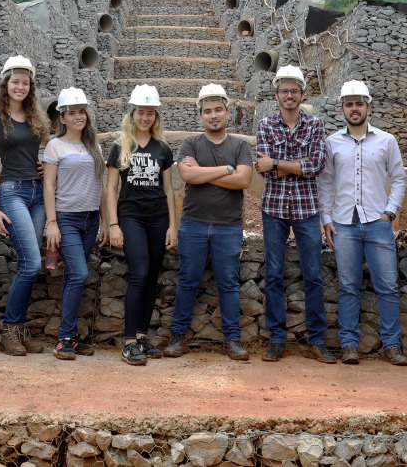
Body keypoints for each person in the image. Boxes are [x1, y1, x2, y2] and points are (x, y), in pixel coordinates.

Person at [319, 80, 407, 365]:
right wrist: (326, 218)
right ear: (342, 109)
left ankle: (392, 346)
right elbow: (326, 182)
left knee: (388, 286)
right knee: (347, 285)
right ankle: (348, 344)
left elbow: (398, 178)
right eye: (349, 104)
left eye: (359, 103)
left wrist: (389, 213)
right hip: (343, 223)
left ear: (368, 106)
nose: (354, 109)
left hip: (377, 223)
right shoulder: (332, 143)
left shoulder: (386, 141)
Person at [163, 84, 254, 362]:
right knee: (188, 281)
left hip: (228, 225)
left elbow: (244, 180)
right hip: (194, 224)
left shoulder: (239, 145)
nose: (213, 116)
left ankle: (233, 339)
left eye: (218, 110)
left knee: (228, 283)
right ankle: (178, 337)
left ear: (228, 112)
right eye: (207, 112)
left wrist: (203, 172)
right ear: (200, 116)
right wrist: (227, 169)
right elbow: (187, 178)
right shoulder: (191, 143)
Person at [254, 65, 332, 363]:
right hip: (274, 208)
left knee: (312, 275)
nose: (290, 95)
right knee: (274, 275)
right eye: (285, 91)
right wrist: (288, 164)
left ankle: (317, 339)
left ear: (302, 94)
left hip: (307, 209)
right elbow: (263, 170)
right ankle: (276, 338)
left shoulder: (315, 124)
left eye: (294, 91)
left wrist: (276, 162)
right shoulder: (265, 125)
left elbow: (315, 166)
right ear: (277, 94)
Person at [105, 84, 178, 366]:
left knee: (152, 277)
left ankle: (142, 335)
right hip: (131, 216)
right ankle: (129, 343)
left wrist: (173, 225)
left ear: (155, 116)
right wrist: (113, 224)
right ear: (132, 114)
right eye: (140, 112)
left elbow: (170, 190)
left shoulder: (164, 148)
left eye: (150, 113)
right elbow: (111, 189)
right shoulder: (120, 146)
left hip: (159, 216)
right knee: (140, 273)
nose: (145, 118)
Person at [0, 55, 50, 356]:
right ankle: (9, 329)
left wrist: (45, 167)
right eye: (15, 82)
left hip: (37, 194)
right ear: (5, 84)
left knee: (28, 265)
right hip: (11, 192)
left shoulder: (37, 118)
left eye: (25, 82)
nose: (20, 87)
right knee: (33, 262)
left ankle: (19, 330)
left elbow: (50, 152)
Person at [43, 88, 108, 360]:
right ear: (62, 117)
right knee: (79, 274)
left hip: (91, 218)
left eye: (82, 111)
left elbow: (101, 185)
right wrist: (52, 222)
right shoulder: (55, 146)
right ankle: (64, 338)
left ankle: (70, 336)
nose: (78, 116)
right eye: (72, 112)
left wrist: (106, 220)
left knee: (73, 276)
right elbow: (48, 184)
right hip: (67, 218)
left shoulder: (94, 147)